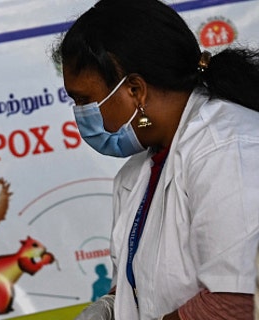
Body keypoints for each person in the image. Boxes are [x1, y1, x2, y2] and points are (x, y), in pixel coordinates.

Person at [52, 0, 259, 319]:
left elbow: (237, 302)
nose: (80, 115)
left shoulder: (227, 149)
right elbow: (148, 280)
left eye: (84, 100)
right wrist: (112, 304)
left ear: (135, 90)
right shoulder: (139, 171)